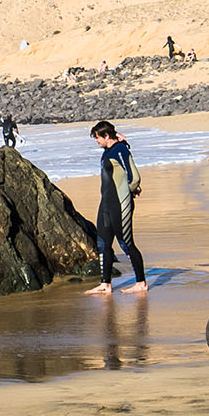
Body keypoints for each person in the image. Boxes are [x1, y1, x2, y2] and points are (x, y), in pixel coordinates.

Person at [86, 120, 146, 295]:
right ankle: (105, 284)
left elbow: (134, 176)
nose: (96, 141)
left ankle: (141, 282)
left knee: (126, 243)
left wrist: (131, 190)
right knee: (103, 243)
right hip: (106, 203)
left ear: (106, 136)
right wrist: (122, 139)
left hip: (120, 204)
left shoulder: (120, 150)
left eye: (98, 137)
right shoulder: (109, 150)